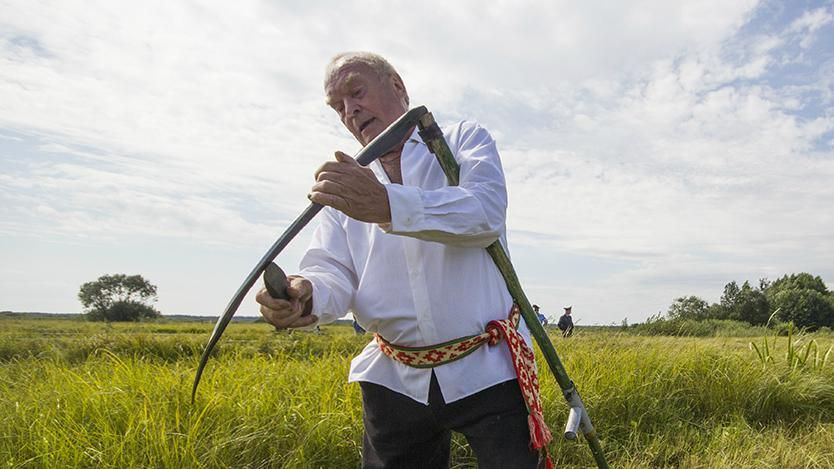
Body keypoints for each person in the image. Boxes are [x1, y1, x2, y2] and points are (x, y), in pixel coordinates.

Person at [256, 52, 549, 468]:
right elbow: (333, 269)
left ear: (396, 86)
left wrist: (387, 206)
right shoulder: (349, 184)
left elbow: (484, 214)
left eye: (356, 92)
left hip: (489, 365)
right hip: (394, 376)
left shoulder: (461, 140)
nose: (349, 110)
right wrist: (307, 293)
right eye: (337, 107)